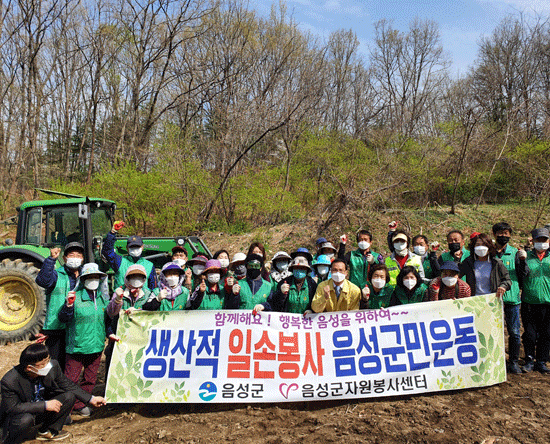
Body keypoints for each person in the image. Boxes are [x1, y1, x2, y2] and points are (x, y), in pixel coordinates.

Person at [1, 344, 106, 443]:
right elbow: (13, 408)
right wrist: (45, 405)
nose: (47, 365)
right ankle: (13, 440)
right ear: (29, 368)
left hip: (41, 410)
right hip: (21, 416)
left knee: (69, 396)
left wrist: (91, 398)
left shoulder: (53, 366)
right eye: (42, 364)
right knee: (25, 420)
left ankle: (45, 431)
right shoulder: (10, 381)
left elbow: (67, 384)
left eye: (47, 360)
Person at [57, 263, 109, 417]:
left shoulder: (102, 299)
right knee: (70, 380)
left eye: (96, 277)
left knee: (90, 379)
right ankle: (66, 407)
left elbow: (107, 320)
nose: (93, 280)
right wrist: (68, 305)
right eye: (89, 277)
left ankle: (79, 405)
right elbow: (63, 318)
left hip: (97, 346)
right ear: (83, 279)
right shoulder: (75, 297)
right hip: (77, 346)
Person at [35, 242, 85, 371]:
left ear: (83, 259)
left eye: (78, 255)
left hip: (78, 328)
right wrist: (51, 260)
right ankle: (51, 389)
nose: (75, 258)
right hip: (57, 327)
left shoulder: (87, 277)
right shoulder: (57, 275)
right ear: (64, 258)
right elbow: (43, 281)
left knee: (72, 365)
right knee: (55, 364)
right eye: (71, 255)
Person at [492, 222, 529, 374]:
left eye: (506, 233)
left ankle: (513, 361)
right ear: (494, 234)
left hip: (512, 299)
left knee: (514, 332)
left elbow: (523, 275)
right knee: (493, 332)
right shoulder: (489, 252)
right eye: (500, 233)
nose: (503, 236)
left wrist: (522, 260)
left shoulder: (515, 253)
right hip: (493, 300)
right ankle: (496, 360)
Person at [104, 265, 151, 378]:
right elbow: (110, 313)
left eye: (139, 277)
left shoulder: (148, 294)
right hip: (120, 338)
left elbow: (151, 313)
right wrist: (118, 299)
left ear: (144, 279)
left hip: (140, 339)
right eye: (133, 276)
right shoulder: (120, 292)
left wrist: (138, 311)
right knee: (115, 368)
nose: (136, 279)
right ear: (127, 278)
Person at [517, 228, 550, 374]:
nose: (541, 243)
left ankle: (542, 361)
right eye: (539, 240)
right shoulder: (526, 256)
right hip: (529, 302)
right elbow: (521, 274)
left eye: (544, 240)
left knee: (546, 334)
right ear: (533, 240)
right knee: (529, 334)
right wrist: (523, 257)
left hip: (548, 302)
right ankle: (529, 360)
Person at [101, 222, 156, 291]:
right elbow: (107, 252)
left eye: (137, 247)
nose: (135, 249)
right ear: (127, 248)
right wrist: (112, 233)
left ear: (142, 247)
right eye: (132, 247)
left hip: (142, 300)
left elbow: (153, 288)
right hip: (122, 300)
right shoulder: (119, 261)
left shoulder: (149, 265)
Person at [458, 233, 511, 298]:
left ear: (489, 247)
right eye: (477, 245)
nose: (480, 247)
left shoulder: (496, 263)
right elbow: (456, 275)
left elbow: (507, 280)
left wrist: (503, 287)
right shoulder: (468, 262)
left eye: (483, 245)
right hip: (473, 300)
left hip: (492, 299)